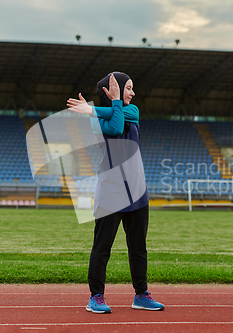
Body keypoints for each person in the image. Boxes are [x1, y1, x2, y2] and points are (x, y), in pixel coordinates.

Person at [67, 72, 165, 314]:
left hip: (137, 190)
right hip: (111, 191)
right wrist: (105, 108)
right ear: (113, 89)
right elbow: (116, 125)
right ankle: (96, 297)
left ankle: (141, 295)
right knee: (102, 246)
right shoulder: (98, 120)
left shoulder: (133, 111)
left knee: (138, 246)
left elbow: (120, 115)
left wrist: (94, 109)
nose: (133, 93)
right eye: (128, 88)